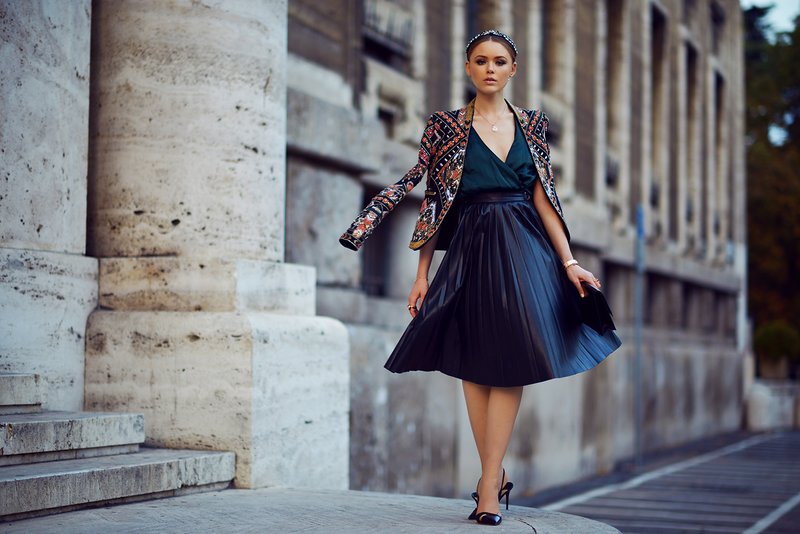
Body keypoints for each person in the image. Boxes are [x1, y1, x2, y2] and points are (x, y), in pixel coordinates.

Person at [339, 29, 621, 526]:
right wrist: (422, 273)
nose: (490, 68)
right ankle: (492, 474)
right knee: (472, 357)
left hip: (524, 246)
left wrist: (570, 261)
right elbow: (433, 201)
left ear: (513, 70)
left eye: (499, 61)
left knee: (511, 357)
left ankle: (489, 485)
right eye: (480, 60)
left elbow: (544, 199)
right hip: (469, 244)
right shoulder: (444, 126)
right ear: (468, 69)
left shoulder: (534, 124)